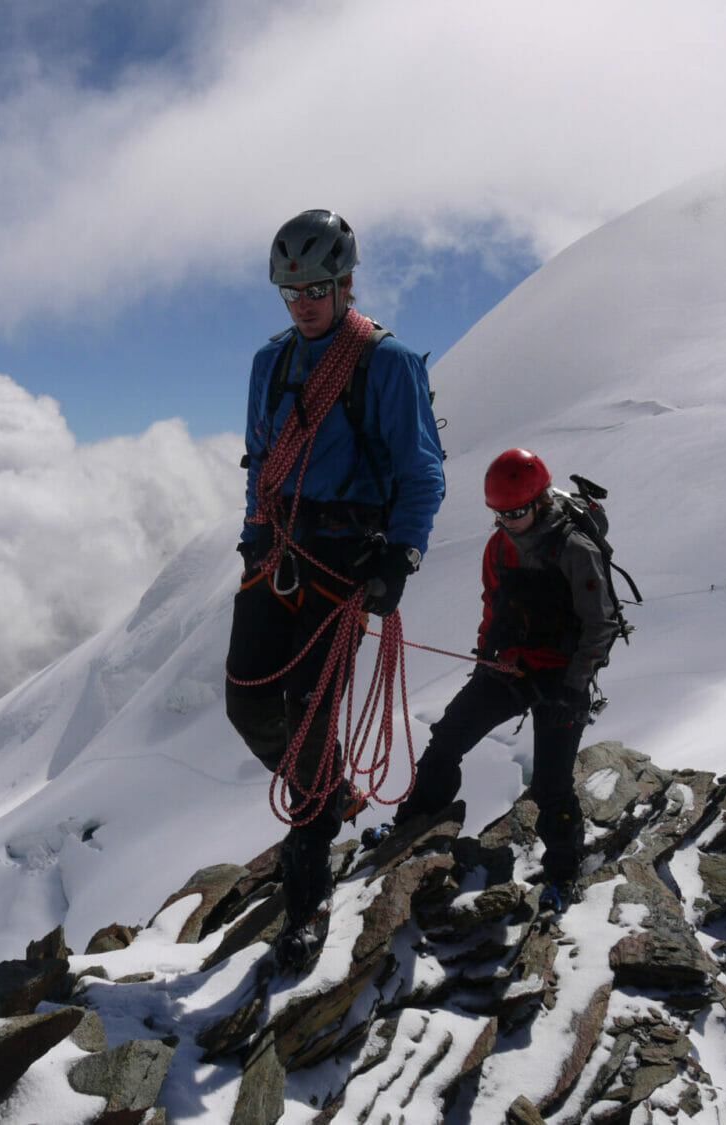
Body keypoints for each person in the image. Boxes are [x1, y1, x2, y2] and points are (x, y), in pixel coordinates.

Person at [225, 209, 445, 970]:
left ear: (347, 282)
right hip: (280, 546)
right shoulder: (272, 360)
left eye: (316, 287)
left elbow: (421, 471)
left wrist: (401, 556)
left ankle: (309, 885)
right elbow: (260, 455)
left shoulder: (387, 364)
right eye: (290, 290)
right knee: (245, 699)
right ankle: (331, 792)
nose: (303, 302)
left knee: (309, 714)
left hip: (344, 562)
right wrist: (256, 531)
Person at [394, 448, 619, 912]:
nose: (509, 521)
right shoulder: (499, 544)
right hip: (513, 666)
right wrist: (487, 662)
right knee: (447, 738)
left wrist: (575, 688)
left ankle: (563, 872)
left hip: (562, 677)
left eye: (516, 511)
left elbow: (601, 624)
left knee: (552, 785)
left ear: (539, 501)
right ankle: (412, 827)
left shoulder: (574, 548)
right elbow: (493, 607)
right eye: (500, 513)